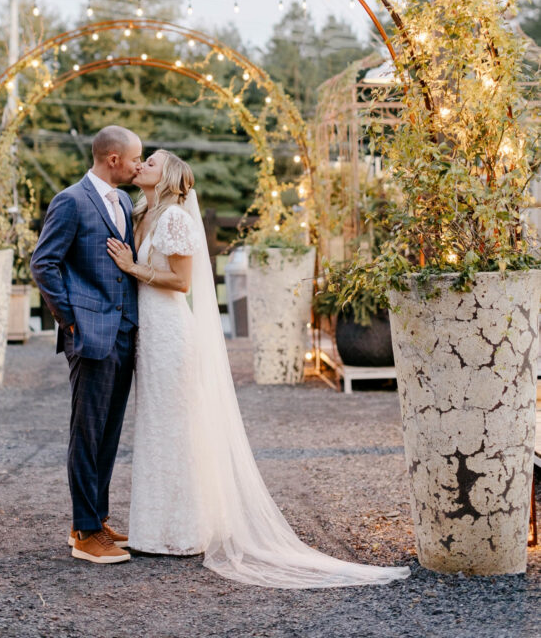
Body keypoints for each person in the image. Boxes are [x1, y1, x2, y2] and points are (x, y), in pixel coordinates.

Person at [107, 149, 411, 588]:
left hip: (171, 332)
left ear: (169, 177)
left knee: (176, 426)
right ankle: (156, 529)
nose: (142, 165)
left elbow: (183, 281)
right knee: (157, 427)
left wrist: (132, 266)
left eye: (151, 162)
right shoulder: (144, 213)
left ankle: (182, 532)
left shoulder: (174, 219)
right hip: (149, 334)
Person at [30, 124, 142, 565]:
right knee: (87, 432)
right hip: (88, 334)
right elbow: (44, 263)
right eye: (135, 157)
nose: (139, 164)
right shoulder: (71, 201)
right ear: (113, 158)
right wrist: (70, 320)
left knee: (110, 433)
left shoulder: (126, 202)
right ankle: (84, 532)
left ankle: (97, 517)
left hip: (123, 332)